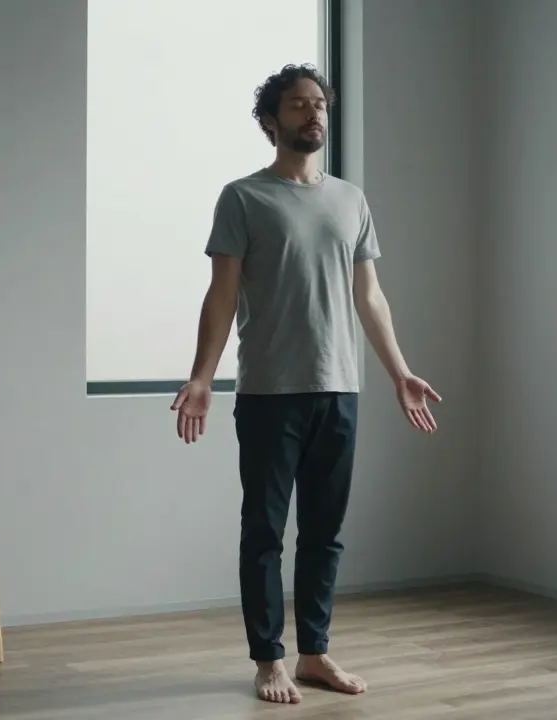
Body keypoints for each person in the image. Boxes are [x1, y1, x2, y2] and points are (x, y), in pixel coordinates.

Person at [170, 64, 441, 705]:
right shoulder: (244, 197)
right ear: (271, 121)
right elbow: (222, 292)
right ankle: (269, 659)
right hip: (269, 392)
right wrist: (202, 376)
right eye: (297, 105)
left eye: (319, 103)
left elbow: (368, 296)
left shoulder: (351, 199)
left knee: (325, 531)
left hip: (339, 389)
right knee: (264, 531)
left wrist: (399, 372)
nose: (313, 113)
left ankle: (315, 652)